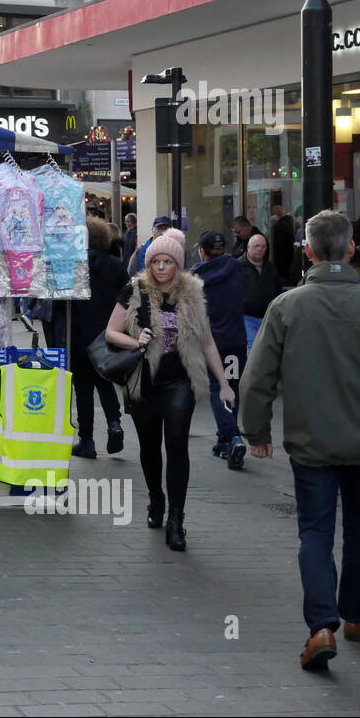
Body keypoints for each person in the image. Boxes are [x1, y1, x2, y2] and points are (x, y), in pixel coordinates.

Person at [240, 210, 360, 672]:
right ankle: (357, 614)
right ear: (350, 250)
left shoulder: (286, 307)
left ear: (307, 251)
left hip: (311, 444)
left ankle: (321, 626)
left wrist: (256, 431)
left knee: (315, 532)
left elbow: (256, 378)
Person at [105, 228, 235, 550]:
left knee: (177, 446)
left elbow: (206, 341)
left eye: (168, 262)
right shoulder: (134, 291)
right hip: (145, 381)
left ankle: (177, 520)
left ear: (178, 264)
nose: (161, 267)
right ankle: (156, 499)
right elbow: (110, 332)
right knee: (150, 449)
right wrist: (137, 341)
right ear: (149, 264)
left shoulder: (192, 294)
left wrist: (224, 384)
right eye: (156, 262)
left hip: (180, 381)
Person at [70, 217, 129, 460]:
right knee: (105, 381)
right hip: (106, 335)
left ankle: (87, 440)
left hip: (77, 335)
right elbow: (128, 295)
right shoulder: (114, 264)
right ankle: (114, 423)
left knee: (83, 388)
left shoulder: (72, 265)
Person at [191, 230, 249, 470]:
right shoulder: (236, 267)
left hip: (212, 342)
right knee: (232, 386)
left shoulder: (196, 275)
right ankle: (224, 440)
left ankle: (232, 436)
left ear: (202, 251)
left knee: (217, 388)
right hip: (236, 339)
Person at [239, 232, 282, 351]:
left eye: (263, 246)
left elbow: (278, 289)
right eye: (256, 246)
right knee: (252, 348)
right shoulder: (238, 267)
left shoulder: (270, 267)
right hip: (247, 317)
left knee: (269, 348)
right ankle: (251, 370)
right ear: (248, 247)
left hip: (268, 317)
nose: (260, 249)